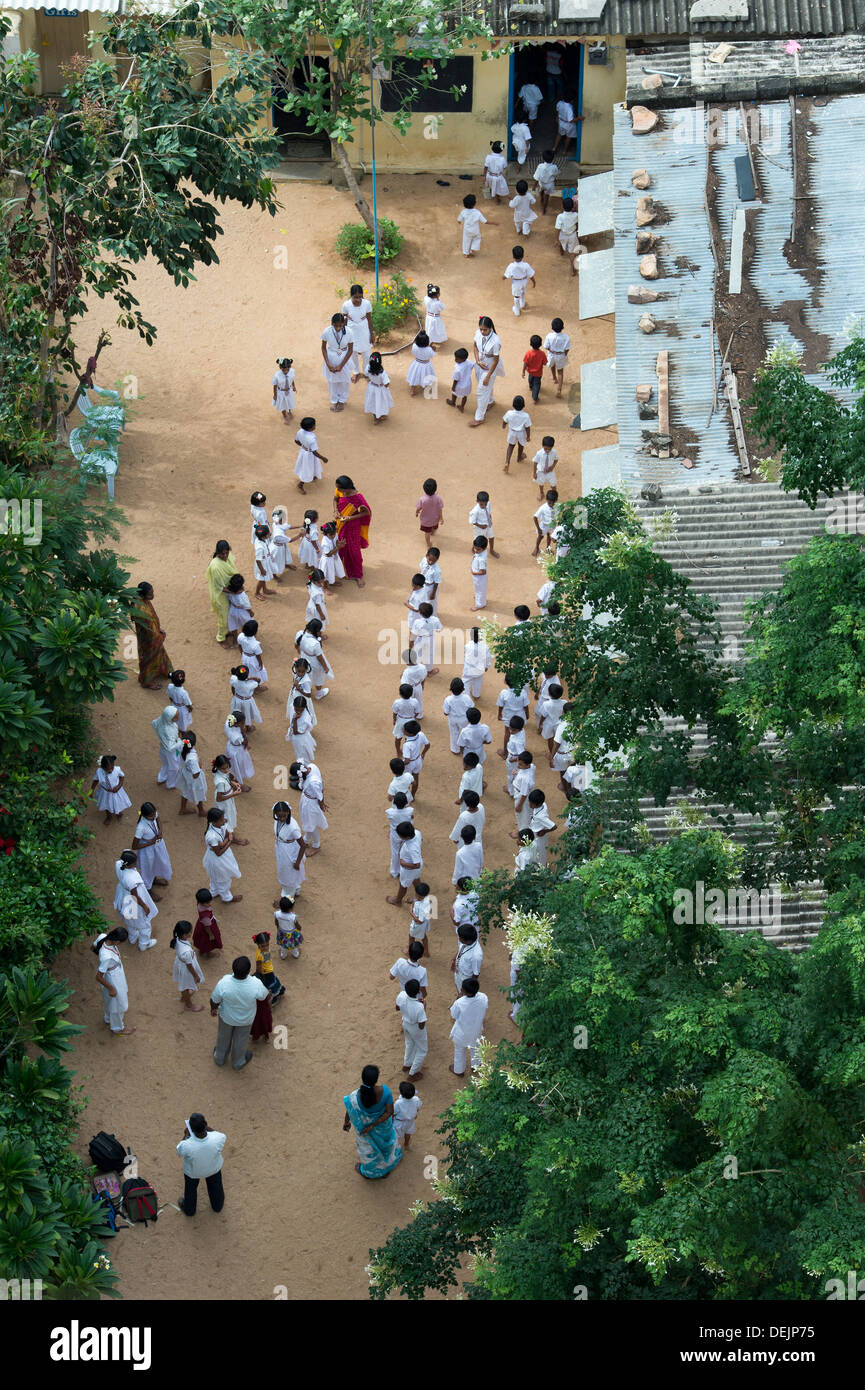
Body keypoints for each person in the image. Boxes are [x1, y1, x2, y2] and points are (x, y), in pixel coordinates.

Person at [342, 1064, 403, 1179]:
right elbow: (389, 1112)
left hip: (364, 1131)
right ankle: (388, 1166)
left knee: (369, 1151)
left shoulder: (354, 1097)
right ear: (376, 1079)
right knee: (387, 1146)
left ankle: (372, 1172)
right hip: (383, 1128)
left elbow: (349, 1111)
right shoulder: (385, 1091)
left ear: (362, 1078)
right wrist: (374, 1124)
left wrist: (346, 1123)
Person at [210, 956, 269, 1069]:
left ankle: (219, 1058)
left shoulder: (224, 982)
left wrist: (213, 1009)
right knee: (240, 1041)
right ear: (248, 971)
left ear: (233, 969)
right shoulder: (255, 983)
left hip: (226, 1018)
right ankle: (238, 1062)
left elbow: (214, 1000)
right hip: (245, 1020)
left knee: (223, 1037)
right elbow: (263, 997)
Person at [177, 1113, 226, 1215]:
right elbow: (218, 1134)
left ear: (192, 1129)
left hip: (193, 1173)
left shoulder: (187, 1145)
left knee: (190, 1190)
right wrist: (205, 1127)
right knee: (216, 1187)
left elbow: (180, 1151)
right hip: (213, 1169)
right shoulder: (218, 1138)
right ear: (206, 1124)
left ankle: (189, 1210)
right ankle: (217, 1206)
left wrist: (186, 1134)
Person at [113, 849, 158, 950]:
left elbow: (126, 851)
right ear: (129, 865)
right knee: (144, 923)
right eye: (135, 862)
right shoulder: (131, 879)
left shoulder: (119, 863)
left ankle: (133, 938)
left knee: (129, 919)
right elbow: (135, 896)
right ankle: (144, 944)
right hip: (132, 900)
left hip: (123, 895)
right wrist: (145, 906)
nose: (136, 863)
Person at [93, 927, 134, 1036]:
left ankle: (107, 1018)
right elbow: (98, 977)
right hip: (113, 977)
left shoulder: (103, 937)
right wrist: (111, 988)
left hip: (111, 973)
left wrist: (100, 958)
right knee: (119, 1005)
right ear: (116, 941)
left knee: (109, 1000)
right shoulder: (107, 957)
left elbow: (93, 947)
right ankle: (117, 1028)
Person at [333, 476, 372, 587]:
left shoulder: (358, 498)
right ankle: (342, 570)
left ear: (348, 488)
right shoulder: (340, 491)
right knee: (341, 547)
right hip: (340, 523)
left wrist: (350, 518)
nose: (338, 491)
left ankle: (358, 575)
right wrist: (335, 510)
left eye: (340, 489)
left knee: (354, 551)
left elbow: (366, 513)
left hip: (352, 527)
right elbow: (335, 499)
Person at [132, 581, 172, 689]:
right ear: (143, 594)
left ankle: (164, 670)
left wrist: (158, 629)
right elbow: (150, 629)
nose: (153, 595)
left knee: (159, 653)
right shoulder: (141, 609)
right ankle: (146, 681)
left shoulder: (142, 600)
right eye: (150, 594)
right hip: (149, 639)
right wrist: (160, 636)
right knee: (149, 658)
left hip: (152, 634)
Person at [469, 316, 504, 428]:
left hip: (490, 366)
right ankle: (490, 401)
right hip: (479, 363)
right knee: (484, 385)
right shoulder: (478, 333)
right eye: (481, 329)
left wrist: (488, 376)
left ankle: (479, 417)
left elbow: (495, 360)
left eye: (485, 329)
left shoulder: (496, 341)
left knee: (481, 390)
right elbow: (475, 346)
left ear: (491, 329)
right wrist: (478, 361)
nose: (483, 332)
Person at [449, 977, 489, 1076]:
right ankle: (475, 1067)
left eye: (462, 988)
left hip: (461, 1032)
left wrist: (459, 998)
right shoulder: (483, 997)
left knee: (459, 1051)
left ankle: (459, 1070)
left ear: (465, 991)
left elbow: (453, 1015)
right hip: (476, 1030)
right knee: (475, 1048)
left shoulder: (459, 1002)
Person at [202, 806, 243, 904]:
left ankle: (214, 892)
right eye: (221, 820)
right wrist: (229, 841)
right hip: (217, 859)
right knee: (224, 879)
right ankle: (227, 897)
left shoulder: (219, 825)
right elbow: (218, 853)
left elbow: (226, 833)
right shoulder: (211, 836)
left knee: (216, 877)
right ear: (214, 822)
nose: (224, 821)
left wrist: (225, 842)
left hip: (223, 854)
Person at [131, 801, 172, 894]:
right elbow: (134, 846)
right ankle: (148, 889)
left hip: (158, 844)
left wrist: (160, 831)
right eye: (151, 816)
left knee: (158, 862)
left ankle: (154, 879)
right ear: (144, 816)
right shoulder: (141, 827)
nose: (153, 817)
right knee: (147, 869)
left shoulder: (153, 814)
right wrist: (151, 842)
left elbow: (158, 819)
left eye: (154, 814)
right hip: (147, 850)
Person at [206, 541, 239, 647]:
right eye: (222, 554)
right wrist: (235, 591)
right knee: (223, 618)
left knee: (230, 615)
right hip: (221, 596)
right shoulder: (215, 567)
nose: (225, 556)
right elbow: (220, 587)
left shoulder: (228, 558)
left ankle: (227, 631)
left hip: (230, 592)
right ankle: (220, 638)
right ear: (217, 553)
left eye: (226, 553)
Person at [292, 759, 328, 853]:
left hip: (310, 804)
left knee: (312, 825)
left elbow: (320, 793)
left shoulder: (313, 782)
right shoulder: (312, 766)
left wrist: (322, 805)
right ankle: (306, 840)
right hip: (307, 800)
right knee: (308, 822)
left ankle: (316, 845)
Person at [272, 801, 306, 900]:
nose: (282, 819)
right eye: (279, 816)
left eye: (284, 816)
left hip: (290, 852)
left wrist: (297, 863)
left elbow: (303, 845)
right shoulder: (277, 820)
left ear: (288, 812)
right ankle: (296, 889)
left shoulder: (293, 828)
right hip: (282, 849)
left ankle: (288, 898)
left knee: (289, 874)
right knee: (286, 871)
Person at [320, 312, 353, 411]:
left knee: (344, 380)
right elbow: (323, 348)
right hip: (331, 356)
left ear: (344, 323)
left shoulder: (349, 332)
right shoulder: (327, 331)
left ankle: (342, 400)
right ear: (332, 324)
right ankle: (334, 401)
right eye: (335, 326)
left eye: (340, 325)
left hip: (344, 357)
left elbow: (350, 350)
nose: (338, 328)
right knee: (332, 381)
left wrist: (341, 365)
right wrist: (328, 364)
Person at [396, 978, 428, 1079]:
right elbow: (421, 1025)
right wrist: (424, 1006)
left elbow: (397, 1008)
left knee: (409, 1043)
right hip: (415, 1027)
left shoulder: (401, 995)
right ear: (418, 991)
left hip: (405, 1023)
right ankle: (413, 1073)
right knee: (422, 1050)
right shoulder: (419, 1007)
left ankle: (407, 1064)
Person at [170, 920, 204, 1012]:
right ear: (184, 935)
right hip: (186, 969)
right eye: (190, 931)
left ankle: (184, 997)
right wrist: (196, 975)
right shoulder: (187, 952)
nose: (191, 932)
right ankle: (188, 1005)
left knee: (183, 983)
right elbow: (189, 966)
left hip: (180, 964)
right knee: (185, 985)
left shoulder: (177, 939)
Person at [387, 821, 423, 908]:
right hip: (415, 868)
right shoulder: (417, 833)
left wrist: (404, 863)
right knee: (416, 880)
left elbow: (417, 864)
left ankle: (397, 900)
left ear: (406, 837)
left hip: (409, 870)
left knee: (403, 885)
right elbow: (421, 840)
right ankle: (419, 899)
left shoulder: (412, 848)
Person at [342, 284, 374, 379]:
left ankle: (366, 372)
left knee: (366, 354)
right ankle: (356, 372)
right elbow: (344, 321)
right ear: (351, 296)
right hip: (351, 331)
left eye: (360, 297)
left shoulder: (367, 304)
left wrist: (372, 333)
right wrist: (344, 336)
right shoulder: (346, 305)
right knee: (353, 353)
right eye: (355, 297)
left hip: (364, 330)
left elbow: (369, 319)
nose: (358, 300)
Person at [91, 754, 132, 825]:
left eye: (112, 768)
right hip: (105, 793)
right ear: (102, 767)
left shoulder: (117, 770)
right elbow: (95, 781)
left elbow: (122, 777)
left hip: (116, 792)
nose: (110, 770)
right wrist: (91, 790)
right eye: (107, 769)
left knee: (117, 803)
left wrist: (118, 786)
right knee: (107, 805)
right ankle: (109, 817)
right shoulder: (99, 772)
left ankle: (119, 813)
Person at [294, 418, 328, 496]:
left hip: (303, 452)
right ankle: (300, 485)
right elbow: (314, 452)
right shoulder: (312, 439)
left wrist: (304, 447)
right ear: (310, 428)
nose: (315, 426)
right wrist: (323, 458)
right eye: (314, 425)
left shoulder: (300, 431)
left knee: (310, 466)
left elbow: (296, 441)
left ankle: (313, 476)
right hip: (309, 455)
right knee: (307, 469)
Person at [177, 732, 208, 818]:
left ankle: (183, 809)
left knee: (186, 791)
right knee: (199, 792)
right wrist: (200, 764)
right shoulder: (192, 758)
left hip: (186, 774)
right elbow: (195, 775)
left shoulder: (181, 746)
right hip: (194, 779)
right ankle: (201, 811)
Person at [443, 676, 475, 755]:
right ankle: (465, 748)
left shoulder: (448, 699)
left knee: (454, 733)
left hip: (453, 719)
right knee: (465, 733)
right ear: (463, 689)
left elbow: (446, 712)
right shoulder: (466, 698)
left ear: (451, 689)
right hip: (464, 719)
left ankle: (455, 749)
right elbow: (472, 707)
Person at [252, 931, 285, 1003]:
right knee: (270, 984)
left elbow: (267, 960)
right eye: (263, 946)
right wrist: (259, 976)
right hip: (265, 974)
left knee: (272, 982)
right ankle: (275, 997)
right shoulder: (259, 956)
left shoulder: (266, 950)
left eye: (267, 945)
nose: (266, 947)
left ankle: (277, 994)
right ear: (258, 945)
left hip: (269, 970)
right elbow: (258, 968)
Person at [503, 245, 535, 318]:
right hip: (524, 281)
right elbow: (531, 275)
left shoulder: (511, 266)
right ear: (523, 255)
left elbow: (506, 275)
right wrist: (534, 282)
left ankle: (517, 311)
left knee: (516, 296)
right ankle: (522, 304)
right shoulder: (526, 265)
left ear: (513, 256)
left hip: (516, 283)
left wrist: (503, 277)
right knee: (523, 290)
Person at [502, 394, 532, 472]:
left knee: (511, 446)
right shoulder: (526, 416)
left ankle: (507, 462)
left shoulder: (509, 413)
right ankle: (519, 457)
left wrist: (504, 425)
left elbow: (505, 420)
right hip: (521, 433)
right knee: (521, 445)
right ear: (523, 406)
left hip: (512, 432)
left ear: (513, 405)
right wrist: (528, 437)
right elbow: (527, 427)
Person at [224, 713, 254, 788]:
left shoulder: (228, 723)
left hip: (230, 747)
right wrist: (243, 732)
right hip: (237, 752)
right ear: (237, 724)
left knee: (232, 766)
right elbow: (244, 742)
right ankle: (237, 784)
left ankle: (230, 779)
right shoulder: (237, 736)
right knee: (238, 767)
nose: (244, 723)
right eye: (243, 722)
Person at [363, 351, 393, 423]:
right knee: (381, 402)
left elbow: (366, 375)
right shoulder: (382, 373)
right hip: (380, 389)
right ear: (380, 362)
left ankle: (375, 418)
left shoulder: (368, 368)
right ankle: (379, 417)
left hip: (372, 387)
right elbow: (386, 384)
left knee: (373, 402)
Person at [544, 317, 571, 398]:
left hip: (552, 354)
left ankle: (554, 378)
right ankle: (559, 389)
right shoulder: (566, 337)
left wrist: (551, 351)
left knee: (552, 366)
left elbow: (546, 346)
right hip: (560, 355)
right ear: (563, 327)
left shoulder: (549, 336)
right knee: (560, 371)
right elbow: (567, 349)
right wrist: (564, 355)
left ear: (552, 327)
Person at [528, 788, 556, 865]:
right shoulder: (543, 804)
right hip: (535, 830)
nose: (529, 804)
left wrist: (544, 831)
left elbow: (554, 826)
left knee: (540, 852)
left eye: (531, 803)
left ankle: (541, 868)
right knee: (536, 850)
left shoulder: (541, 816)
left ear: (538, 804)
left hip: (538, 835)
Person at [457, 193, 489, 258]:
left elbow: (459, 220)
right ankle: (473, 249)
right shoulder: (477, 212)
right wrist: (494, 223)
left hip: (467, 230)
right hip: (475, 230)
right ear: (474, 203)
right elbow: (484, 221)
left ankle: (466, 253)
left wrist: (459, 222)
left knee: (466, 241)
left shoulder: (463, 212)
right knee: (477, 238)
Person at [229, 664, 262, 729]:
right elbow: (258, 680)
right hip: (247, 702)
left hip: (237, 700)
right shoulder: (249, 685)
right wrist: (251, 678)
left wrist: (234, 695)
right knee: (247, 714)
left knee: (237, 713)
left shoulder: (234, 679)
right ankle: (247, 727)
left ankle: (237, 724)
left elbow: (232, 687)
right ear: (247, 675)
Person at [462, 627, 491, 699]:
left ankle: (466, 697)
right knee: (478, 681)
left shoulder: (468, 645)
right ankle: (476, 695)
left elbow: (465, 653)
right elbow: (488, 657)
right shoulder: (485, 646)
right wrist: (487, 666)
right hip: (479, 668)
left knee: (466, 681)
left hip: (468, 668)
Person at [193, 888, 223, 958]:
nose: (210, 904)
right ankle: (208, 954)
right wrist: (211, 934)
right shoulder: (205, 916)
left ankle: (201, 950)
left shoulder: (199, 904)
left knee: (201, 941)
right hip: (208, 928)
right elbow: (207, 927)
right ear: (201, 902)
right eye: (207, 903)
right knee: (208, 942)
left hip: (200, 925)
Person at [469, 490, 499, 559]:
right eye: (481, 504)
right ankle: (474, 549)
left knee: (491, 537)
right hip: (480, 529)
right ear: (477, 501)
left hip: (488, 525)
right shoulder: (475, 511)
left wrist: (490, 518)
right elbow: (472, 521)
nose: (484, 506)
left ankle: (491, 550)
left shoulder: (488, 504)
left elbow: (489, 512)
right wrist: (481, 526)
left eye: (485, 504)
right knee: (478, 540)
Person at [555, 195, 580, 275]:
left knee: (561, 243)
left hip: (562, 235)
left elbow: (557, 228)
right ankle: (572, 270)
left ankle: (561, 251)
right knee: (572, 253)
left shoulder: (560, 216)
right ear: (573, 207)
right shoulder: (576, 215)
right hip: (572, 236)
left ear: (563, 206)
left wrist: (556, 239)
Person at [393, 1081, 422, 1149]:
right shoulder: (416, 1099)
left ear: (401, 1094)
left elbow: (393, 1113)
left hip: (399, 1122)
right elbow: (418, 1108)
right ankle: (406, 1144)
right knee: (408, 1132)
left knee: (395, 1136)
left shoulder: (398, 1103)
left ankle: (396, 1147)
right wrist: (414, 1114)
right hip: (410, 1121)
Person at [407, 331, 436, 397]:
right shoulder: (429, 350)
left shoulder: (414, 346)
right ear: (427, 342)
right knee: (426, 375)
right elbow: (432, 355)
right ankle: (425, 385)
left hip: (417, 363)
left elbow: (414, 350)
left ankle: (412, 390)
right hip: (426, 364)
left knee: (414, 376)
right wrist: (433, 348)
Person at [553, 94, 583, 160]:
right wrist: (579, 118)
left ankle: (554, 148)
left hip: (561, 123)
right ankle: (565, 151)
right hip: (569, 125)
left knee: (559, 134)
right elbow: (571, 120)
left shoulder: (559, 103)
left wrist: (557, 117)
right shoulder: (569, 108)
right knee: (568, 137)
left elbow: (557, 111)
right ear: (572, 100)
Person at [225, 573, 251, 646]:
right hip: (242, 611)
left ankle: (235, 641)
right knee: (246, 624)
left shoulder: (229, 591)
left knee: (234, 625)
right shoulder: (241, 595)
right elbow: (246, 605)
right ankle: (246, 639)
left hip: (232, 610)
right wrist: (250, 611)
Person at [409, 881, 433, 958]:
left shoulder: (422, 906)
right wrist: (412, 903)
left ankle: (410, 952)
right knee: (423, 936)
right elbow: (414, 902)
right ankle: (426, 952)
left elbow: (420, 921)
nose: (416, 897)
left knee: (411, 936)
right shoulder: (426, 899)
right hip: (425, 923)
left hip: (418, 924)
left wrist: (411, 913)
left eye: (418, 896)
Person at [274, 895, 303, 959]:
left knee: (283, 945)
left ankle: (283, 956)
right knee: (294, 945)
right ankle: (296, 955)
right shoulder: (293, 917)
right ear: (291, 908)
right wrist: (299, 928)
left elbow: (276, 922)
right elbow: (297, 926)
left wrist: (278, 928)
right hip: (292, 934)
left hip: (282, 932)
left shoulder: (277, 914)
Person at [522, 335, 548, 405]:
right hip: (538, 373)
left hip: (530, 372)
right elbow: (545, 363)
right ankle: (535, 398)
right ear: (540, 344)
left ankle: (530, 387)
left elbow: (525, 363)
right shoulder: (542, 354)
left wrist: (523, 371)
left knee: (530, 379)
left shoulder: (528, 353)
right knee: (536, 385)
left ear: (530, 344)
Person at [252, 522, 275, 598]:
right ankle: (257, 593)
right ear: (263, 537)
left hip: (265, 562)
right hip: (262, 565)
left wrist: (267, 535)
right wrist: (262, 570)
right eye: (268, 533)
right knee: (261, 579)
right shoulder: (259, 548)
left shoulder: (259, 539)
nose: (270, 534)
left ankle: (265, 589)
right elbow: (258, 560)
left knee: (264, 578)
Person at [533, 488, 559, 556]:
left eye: (553, 503)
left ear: (556, 501)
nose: (551, 504)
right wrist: (539, 529)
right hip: (544, 525)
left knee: (549, 536)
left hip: (552, 525)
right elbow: (535, 517)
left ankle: (548, 548)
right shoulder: (543, 507)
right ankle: (537, 547)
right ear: (547, 500)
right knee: (540, 536)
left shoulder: (558, 506)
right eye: (549, 503)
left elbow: (559, 515)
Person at [448, 347, 474, 412]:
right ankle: (462, 407)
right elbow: (472, 366)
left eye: (457, 358)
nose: (455, 359)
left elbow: (456, 379)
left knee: (454, 393)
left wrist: (453, 387)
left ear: (463, 359)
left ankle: (453, 402)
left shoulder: (458, 369)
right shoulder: (468, 362)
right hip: (467, 384)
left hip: (459, 385)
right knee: (464, 396)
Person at [533, 149, 558, 216]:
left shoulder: (540, 166)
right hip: (549, 184)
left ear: (543, 158)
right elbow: (555, 175)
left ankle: (541, 198)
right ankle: (544, 209)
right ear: (553, 158)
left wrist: (534, 186)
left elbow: (537, 177)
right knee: (547, 196)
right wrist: (555, 180)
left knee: (541, 190)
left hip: (541, 183)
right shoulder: (554, 167)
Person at [272, 356, 296, 424]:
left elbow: (292, 379)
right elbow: (275, 385)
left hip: (289, 390)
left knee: (289, 402)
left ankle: (289, 411)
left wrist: (294, 386)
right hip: (281, 392)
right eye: (284, 369)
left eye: (288, 369)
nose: (286, 371)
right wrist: (275, 395)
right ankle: (285, 416)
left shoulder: (292, 371)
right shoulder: (277, 376)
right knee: (282, 405)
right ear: (280, 367)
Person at [419, 545, 442, 612]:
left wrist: (433, 593)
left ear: (437, 559)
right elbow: (422, 570)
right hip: (423, 584)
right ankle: (423, 613)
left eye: (434, 561)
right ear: (427, 556)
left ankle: (433, 615)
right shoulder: (424, 560)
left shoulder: (437, 570)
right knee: (422, 599)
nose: (431, 562)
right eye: (429, 560)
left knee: (431, 602)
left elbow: (436, 582)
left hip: (430, 587)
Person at [470, 535, 488, 612]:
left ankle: (480, 604)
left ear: (484, 549)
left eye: (478, 549)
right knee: (478, 589)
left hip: (479, 577)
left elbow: (483, 572)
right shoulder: (483, 551)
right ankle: (479, 598)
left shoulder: (481, 560)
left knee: (480, 590)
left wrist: (474, 572)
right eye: (474, 548)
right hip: (478, 576)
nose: (475, 550)